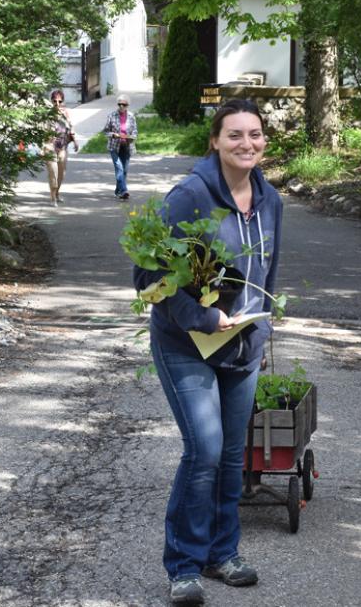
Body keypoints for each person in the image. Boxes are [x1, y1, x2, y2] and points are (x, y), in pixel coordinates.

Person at [133, 99, 283, 606]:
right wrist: (201, 317)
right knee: (204, 450)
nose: (248, 144)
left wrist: (263, 335)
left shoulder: (271, 202)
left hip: (241, 343)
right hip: (186, 343)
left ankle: (224, 554)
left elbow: (266, 277)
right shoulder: (189, 198)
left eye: (255, 134)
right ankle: (184, 567)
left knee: (231, 457)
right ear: (215, 141)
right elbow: (148, 277)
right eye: (235, 135)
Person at [103, 94, 137, 200]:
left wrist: (132, 137)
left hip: (126, 146)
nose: (121, 106)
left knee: (125, 170)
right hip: (114, 146)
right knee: (119, 168)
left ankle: (118, 191)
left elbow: (135, 131)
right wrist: (113, 135)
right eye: (119, 104)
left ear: (128, 105)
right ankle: (124, 191)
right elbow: (105, 131)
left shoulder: (131, 116)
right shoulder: (112, 115)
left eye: (124, 104)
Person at [46, 89, 77, 206]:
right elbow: (42, 132)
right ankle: (53, 197)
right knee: (53, 173)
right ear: (52, 101)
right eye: (55, 101)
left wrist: (75, 142)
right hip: (50, 147)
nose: (57, 104)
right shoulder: (48, 115)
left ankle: (57, 193)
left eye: (60, 101)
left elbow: (71, 128)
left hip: (62, 147)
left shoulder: (65, 114)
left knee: (61, 174)